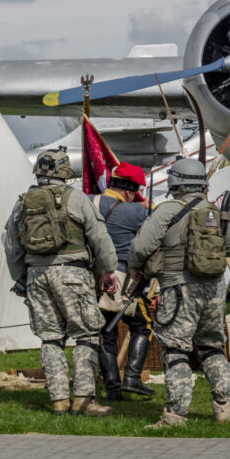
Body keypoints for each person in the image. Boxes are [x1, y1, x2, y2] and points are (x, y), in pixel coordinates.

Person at [5, 147, 118, 417]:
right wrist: (109, 269)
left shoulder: (23, 202)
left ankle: (59, 401)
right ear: (65, 171)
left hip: (37, 275)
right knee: (86, 335)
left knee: (50, 338)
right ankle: (83, 398)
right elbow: (98, 235)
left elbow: (11, 243)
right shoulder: (76, 198)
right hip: (72, 275)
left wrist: (21, 276)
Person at [128, 158, 230, 428]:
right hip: (214, 291)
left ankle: (175, 415)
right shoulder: (214, 211)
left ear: (175, 182)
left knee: (175, 350)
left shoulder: (167, 210)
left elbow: (141, 247)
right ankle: (222, 406)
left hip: (178, 289)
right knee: (211, 347)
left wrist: (134, 267)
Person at [91, 162, 153, 401]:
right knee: (143, 325)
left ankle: (112, 389)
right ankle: (132, 377)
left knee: (105, 333)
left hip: (94, 279)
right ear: (129, 191)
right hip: (125, 280)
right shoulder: (137, 211)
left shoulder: (89, 201)